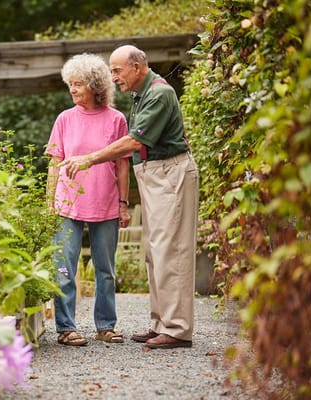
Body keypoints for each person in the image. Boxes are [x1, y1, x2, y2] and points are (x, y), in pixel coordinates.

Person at [60, 45, 199, 349]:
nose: (113, 77)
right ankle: (161, 323)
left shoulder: (160, 94)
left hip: (169, 173)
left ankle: (176, 329)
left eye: (117, 70)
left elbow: (134, 141)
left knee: (171, 251)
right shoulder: (143, 95)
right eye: (111, 71)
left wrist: (88, 159)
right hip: (156, 174)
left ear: (137, 67)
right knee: (155, 251)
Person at [46, 53, 130, 346]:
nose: (73, 89)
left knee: (105, 270)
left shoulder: (117, 120)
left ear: (95, 86)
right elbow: (55, 162)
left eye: (78, 84)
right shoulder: (64, 119)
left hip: (105, 202)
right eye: (70, 84)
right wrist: (49, 202)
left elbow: (122, 165)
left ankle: (105, 326)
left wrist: (123, 204)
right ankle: (65, 328)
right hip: (67, 204)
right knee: (63, 268)